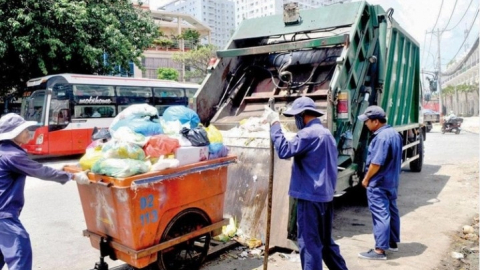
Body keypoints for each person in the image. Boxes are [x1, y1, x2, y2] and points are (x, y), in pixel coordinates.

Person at [263, 96, 348, 270]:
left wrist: (275, 125)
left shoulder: (308, 134)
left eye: (296, 117)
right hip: (326, 197)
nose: (296, 120)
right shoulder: (327, 134)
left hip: (310, 198)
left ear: (302, 115)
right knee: (325, 243)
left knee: (309, 245)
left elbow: (284, 150)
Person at [0, 113, 90, 270]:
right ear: (14, 134)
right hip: (3, 215)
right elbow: (40, 171)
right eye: (25, 130)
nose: (29, 132)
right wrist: (72, 176)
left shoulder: (4, 152)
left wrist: (59, 170)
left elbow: (35, 168)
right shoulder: (13, 155)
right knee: (20, 253)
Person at [357, 105, 402, 260]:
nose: (365, 124)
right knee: (392, 211)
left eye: (367, 121)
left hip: (379, 182)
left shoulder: (381, 137)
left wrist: (366, 178)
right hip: (391, 181)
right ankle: (392, 243)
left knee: (380, 214)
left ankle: (379, 251)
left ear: (376, 121)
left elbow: (376, 163)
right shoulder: (394, 134)